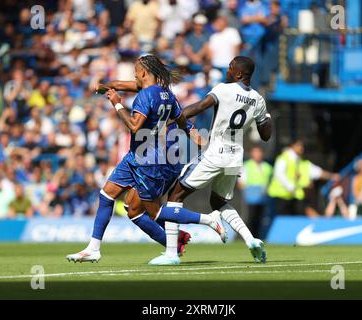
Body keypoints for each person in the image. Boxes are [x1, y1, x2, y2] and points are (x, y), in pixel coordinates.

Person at [66, 55, 225, 263]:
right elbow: (186, 125)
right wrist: (103, 87)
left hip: (149, 161)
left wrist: (117, 105)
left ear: (144, 72)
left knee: (155, 213)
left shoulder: (145, 96)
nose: (134, 74)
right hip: (136, 156)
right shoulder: (167, 95)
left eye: (136, 70)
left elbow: (134, 126)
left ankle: (207, 219)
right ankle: (93, 248)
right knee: (107, 194)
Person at [150, 56, 272, 265]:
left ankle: (171, 254)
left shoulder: (224, 89)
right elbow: (266, 134)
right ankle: (251, 240)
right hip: (235, 158)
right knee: (219, 201)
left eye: (231, 67)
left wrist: (169, 121)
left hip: (215, 153)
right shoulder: (258, 99)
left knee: (175, 196)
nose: (227, 69)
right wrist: (265, 116)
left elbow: (199, 106)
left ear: (239, 74)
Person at [237, 146, 272, 237]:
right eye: (255, 153)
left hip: (263, 197)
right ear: (252, 154)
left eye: (259, 152)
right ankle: (249, 237)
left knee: (260, 218)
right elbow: (241, 182)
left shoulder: (267, 167)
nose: (258, 155)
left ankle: (258, 236)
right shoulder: (246, 165)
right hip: (251, 197)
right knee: (251, 217)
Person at [268, 140, 305, 215]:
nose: (301, 148)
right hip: (280, 195)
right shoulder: (284, 157)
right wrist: (290, 187)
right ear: (293, 146)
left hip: (290, 195)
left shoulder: (297, 159)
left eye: (302, 146)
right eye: (299, 146)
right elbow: (279, 173)